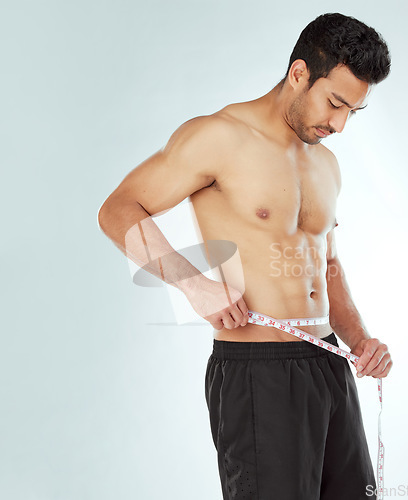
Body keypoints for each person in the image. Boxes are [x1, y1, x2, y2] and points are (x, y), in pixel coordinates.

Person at [98, 12, 393, 500]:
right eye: (334, 103)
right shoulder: (219, 136)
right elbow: (117, 210)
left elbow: (328, 266)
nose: (339, 124)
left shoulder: (326, 163)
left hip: (329, 364)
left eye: (352, 113)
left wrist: (360, 340)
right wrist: (194, 283)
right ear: (299, 74)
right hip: (259, 368)